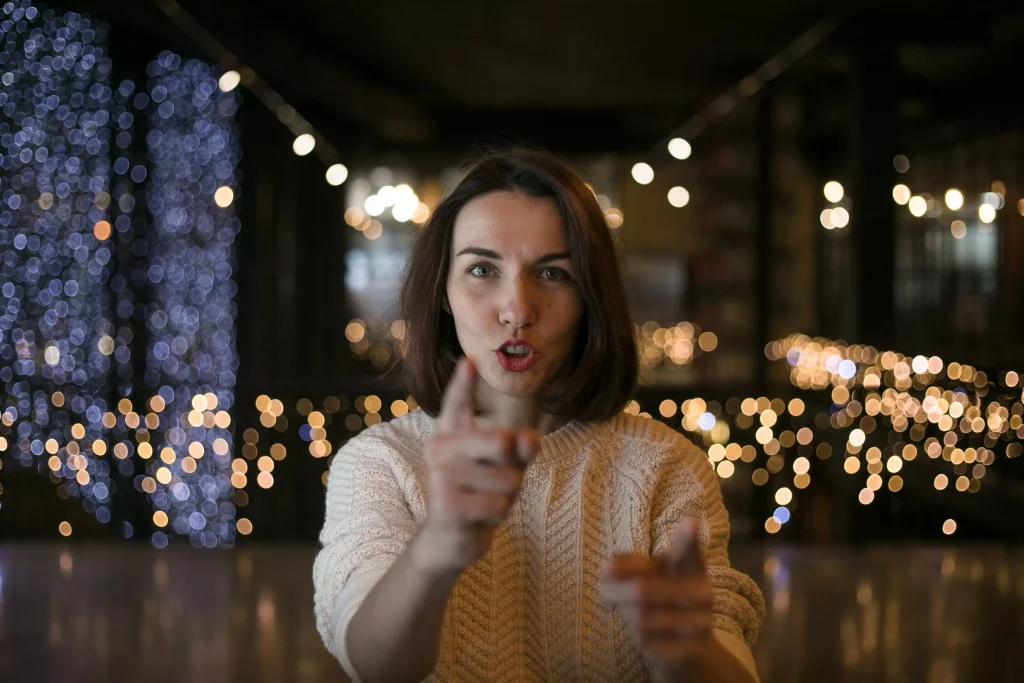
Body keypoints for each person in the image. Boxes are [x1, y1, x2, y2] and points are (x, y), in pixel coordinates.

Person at [313, 148, 764, 683]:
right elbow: (373, 662)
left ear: (590, 297)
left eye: (552, 273)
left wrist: (685, 653)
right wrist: (434, 551)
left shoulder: (666, 468)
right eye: (482, 269)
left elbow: (731, 662)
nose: (519, 310)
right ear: (443, 294)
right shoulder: (381, 462)